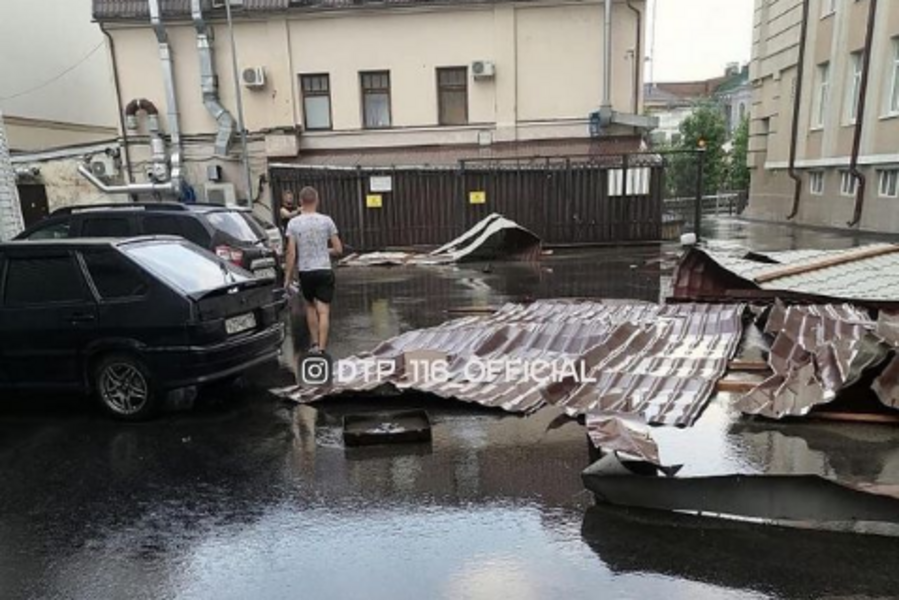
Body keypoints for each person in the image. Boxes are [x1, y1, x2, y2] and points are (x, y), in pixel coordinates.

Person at [284, 186, 343, 354]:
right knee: (323, 311)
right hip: (324, 270)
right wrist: (325, 250)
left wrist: (288, 277)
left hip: (306, 272)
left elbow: (291, 253)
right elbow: (338, 250)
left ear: (301, 201)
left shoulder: (293, 223)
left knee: (310, 307)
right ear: (317, 200)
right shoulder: (326, 221)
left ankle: (314, 344)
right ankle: (322, 349)